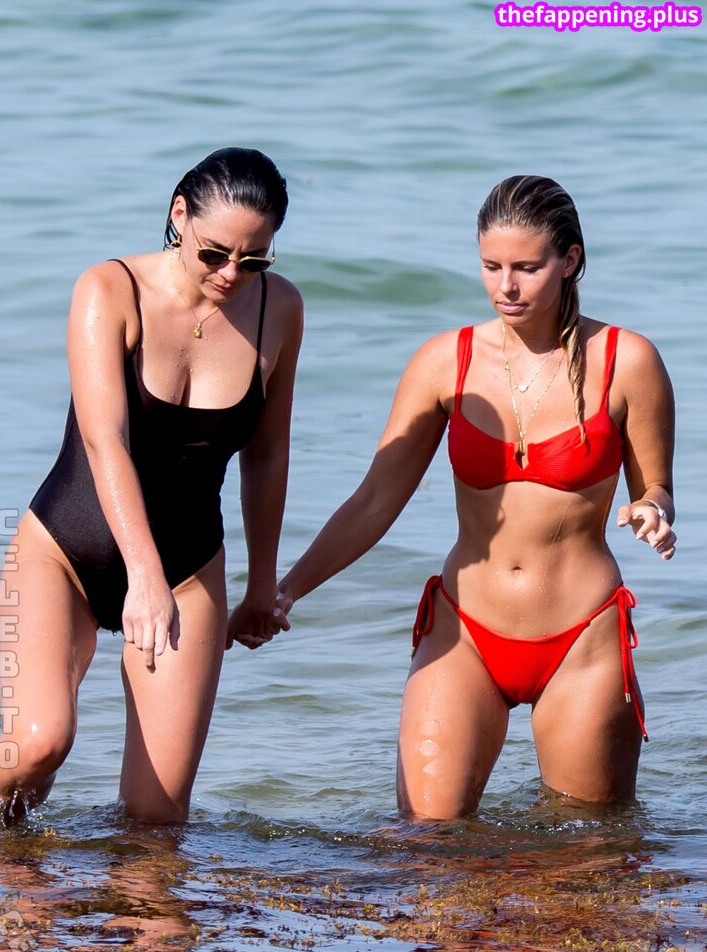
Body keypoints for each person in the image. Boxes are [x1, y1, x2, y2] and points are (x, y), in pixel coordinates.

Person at [275, 175, 676, 820]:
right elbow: (375, 500)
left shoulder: (627, 361)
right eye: (491, 266)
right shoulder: (445, 361)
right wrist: (288, 590)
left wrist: (652, 511)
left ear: (570, 260)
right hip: (465, 630)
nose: (505, 287)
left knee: (588, 852)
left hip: (581, 636)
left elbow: (655, 487)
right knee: (428, 843)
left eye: (526, 268)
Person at [0, 147, 302, 824]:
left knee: (155, 820)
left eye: (253, 259)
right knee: (37, 746)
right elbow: (105, 441)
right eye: (214, 253)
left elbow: (267, 453)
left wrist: (260, 584)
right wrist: (142, 575)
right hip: (65, 553)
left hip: (189, 566)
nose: (231, 274)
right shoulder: (108, 289)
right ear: (179, 214)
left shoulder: (278, 308)